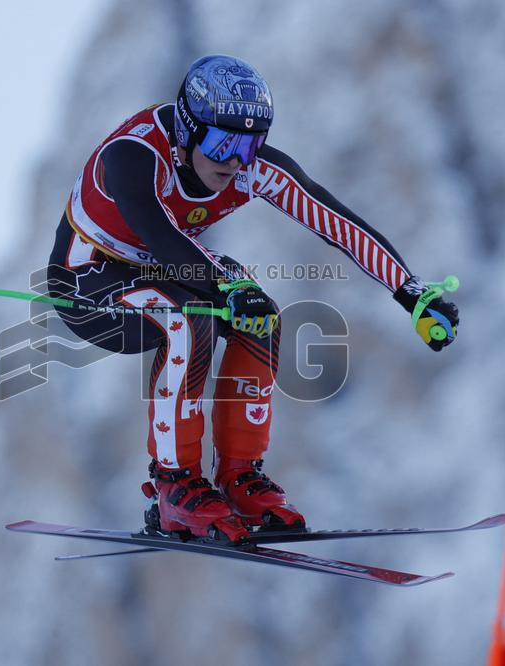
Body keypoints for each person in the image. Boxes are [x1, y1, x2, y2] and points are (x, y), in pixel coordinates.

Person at [46, 54, 458, 543]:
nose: (237, 161)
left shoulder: (247, 167)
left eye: (251, 144)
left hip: (155, 268)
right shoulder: (133, 156)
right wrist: (225, 286)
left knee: (259, 315)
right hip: (86, 282)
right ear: (186, 130)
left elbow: (335, 222)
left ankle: (239, 477)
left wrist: (409, 291)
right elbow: (157, 233)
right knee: (188, 317)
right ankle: (174, 486)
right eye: (223, 143)